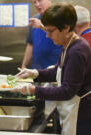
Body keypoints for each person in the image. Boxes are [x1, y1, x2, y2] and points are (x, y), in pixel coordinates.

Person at [14, 3, 91, 135]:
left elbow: (68, 91)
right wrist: (34, 73)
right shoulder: (68, 43)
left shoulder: (77, 51)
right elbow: (58, 71)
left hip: (80, 113)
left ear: (66, 28)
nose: (47, 36)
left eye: (50, 31)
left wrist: (33, 90)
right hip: (71, 109)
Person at [22, 0, 62, 69]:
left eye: (40, 1)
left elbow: (62, 37)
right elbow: (30, 44)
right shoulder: (35, 19)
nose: (37, 4)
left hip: (54, 69)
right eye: (34, 2)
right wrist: (24, 65)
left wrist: (41, 26)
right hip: (36, 70)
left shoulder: (59, 17)